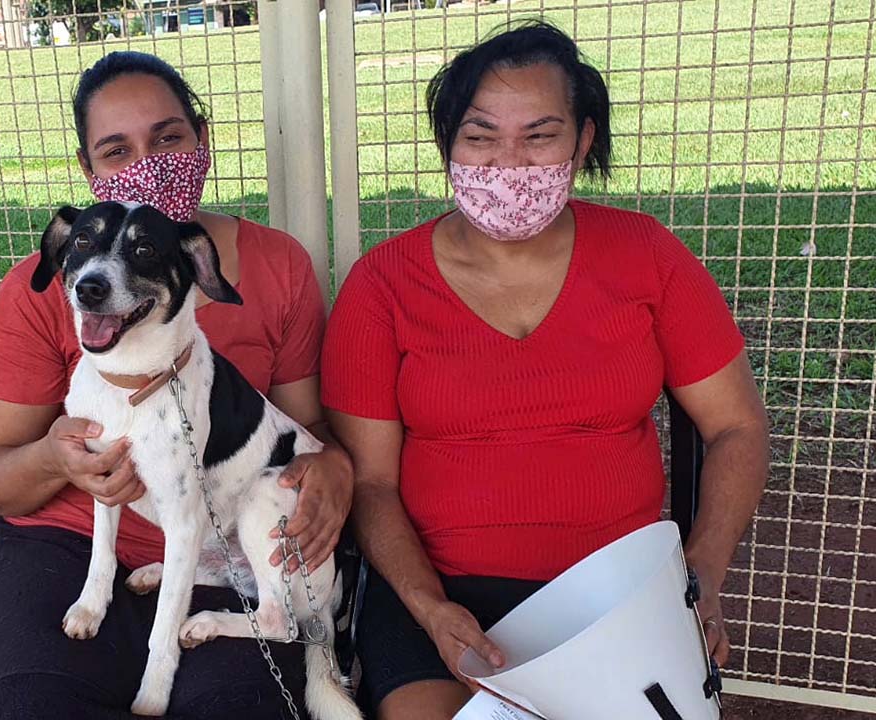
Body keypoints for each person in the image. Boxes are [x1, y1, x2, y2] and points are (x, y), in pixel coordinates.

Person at [321, 22, 769, 720]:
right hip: (439, 591)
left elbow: (737, 426)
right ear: (448, 144)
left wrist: (699, 577)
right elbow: (372, 483)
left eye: (540, 135)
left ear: (583, 141)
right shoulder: (382, 285)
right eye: (480, 136)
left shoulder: (646, 255)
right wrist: (429, 607)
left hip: (616, 591)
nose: (509, 162)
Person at [0, 51, 353, 719]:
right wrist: (56, 460)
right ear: (89, 169)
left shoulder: (276, 264)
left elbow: (303, 431)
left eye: (168, 138)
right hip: (62, 541)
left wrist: (337, 466)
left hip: (227, 541)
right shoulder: (50, 286)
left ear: (202, 139)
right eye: (117, 150)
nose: (148, 163)